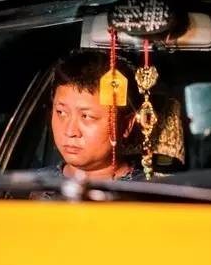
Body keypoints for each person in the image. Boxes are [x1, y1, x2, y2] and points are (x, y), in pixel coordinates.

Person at [41, 49, 144, 181]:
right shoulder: (27, 188)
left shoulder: (152, 191)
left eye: (86, 116)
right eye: (61, 112)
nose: (70, 132)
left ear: (126, 125)